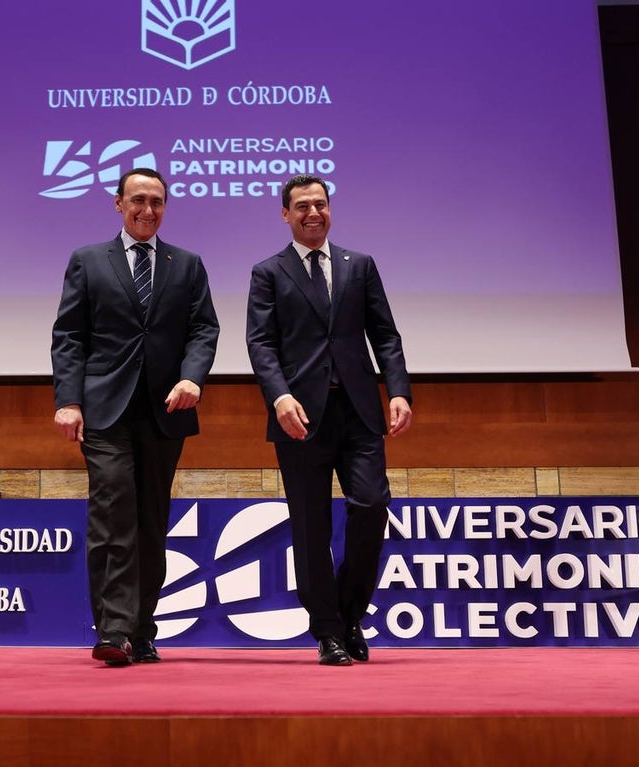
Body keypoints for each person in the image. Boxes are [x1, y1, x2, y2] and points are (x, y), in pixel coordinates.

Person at [51, 168, 219, 666]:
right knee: (112, 512)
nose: (148, 209)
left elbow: (204, 329)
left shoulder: (186, 264)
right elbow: (69, 336)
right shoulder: (87, 260)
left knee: (149, 522)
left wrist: (193, 377)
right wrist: (68, 400)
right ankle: (114, 629)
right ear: (118, 203)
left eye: (158, 201)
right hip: (105, 409)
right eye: (139, 200)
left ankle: (142, 629)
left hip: (165, 411)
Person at [246, 174, 413, 666]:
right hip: (299, 417)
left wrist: (398, 391)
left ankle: (349, 615)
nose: (313, 213)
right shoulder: (268, 272)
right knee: (310, 527)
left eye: (320, 204)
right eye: (302, 206)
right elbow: (261, 343)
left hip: (359, 412)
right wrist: (279, 398)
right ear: (285, 214)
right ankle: (328, 632)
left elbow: (385, 335)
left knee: (372, 505)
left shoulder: (359, 265)